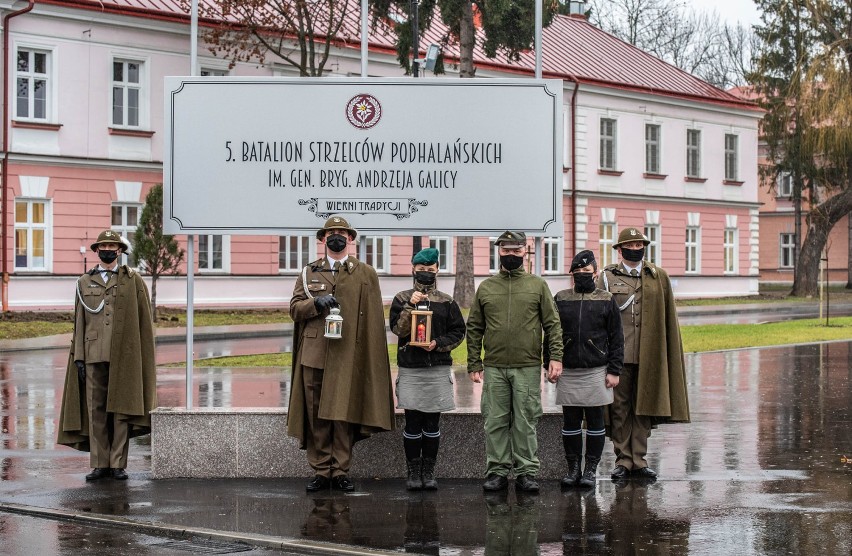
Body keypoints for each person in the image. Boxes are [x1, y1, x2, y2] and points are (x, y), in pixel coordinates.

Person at [287, 215, 395, 492]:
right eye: (331, 232)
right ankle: (322, 470)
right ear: (322, 239)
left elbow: (372, 319)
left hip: (348, 353)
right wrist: (315, 304)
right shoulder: (308, 272)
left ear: (350, 239)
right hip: (315, 352)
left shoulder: (365, 273)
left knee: (343, 413)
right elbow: (294, 309)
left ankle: (341, 471)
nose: (337, 236)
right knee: (317, 414)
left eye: (342, 233)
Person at [466, 230, 563, 493]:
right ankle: (497, 471)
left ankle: (526, 472)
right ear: (499, 252)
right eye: (506, 250)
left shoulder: (537, 286)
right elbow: (474, 327)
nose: (511, 255)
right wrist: (474, 362)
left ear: (525, 251)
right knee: (495, 420)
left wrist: (555, 357)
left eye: (516, 251)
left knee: (525, 420)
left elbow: (552, 325)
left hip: (527, 366)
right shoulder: (487, 287)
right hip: (495, 367)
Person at [57, 229, 157, 481]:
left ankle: (117, 463)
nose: (108, 250)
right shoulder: (84, 282)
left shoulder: (133, 280)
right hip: (93, 353)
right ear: (96, 250)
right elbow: (79, 321)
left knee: (121, 410)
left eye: (113, 246)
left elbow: (144, 321)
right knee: (96, 410)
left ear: (121, 251)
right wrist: (79, 356)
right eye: (104, 246)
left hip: (125, 354)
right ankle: (100, 463)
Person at [597, 227, 690, 480]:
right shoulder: (606, 278)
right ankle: (623, 460)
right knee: (618, 409)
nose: (636, 249)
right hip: (619, 356)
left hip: (649, 353)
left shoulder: (658, 276)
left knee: (643, 408)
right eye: (631, 245)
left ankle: (639, 459)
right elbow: (599, 317)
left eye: (640, 246)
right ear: (619, 249)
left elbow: (667, 318)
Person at [389, 247, 466, 490]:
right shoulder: (402, 298)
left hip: (437, 368)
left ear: (437, 271)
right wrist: (410, 306)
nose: (425, 273)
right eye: (421, 270)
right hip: (411, 368)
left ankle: (428, 470)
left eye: (430, 270)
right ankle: (413, 471)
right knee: (412, 422)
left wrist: (438, 344)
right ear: (413, 269)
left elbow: (458, 332)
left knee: (432, 424)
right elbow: (398, 330)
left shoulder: (447, 300)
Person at [546, 250, 623, 489]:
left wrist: (614, 369)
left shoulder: (606, 298)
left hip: (596, 369)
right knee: (570, 422)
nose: (581, 276)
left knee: (595, 421)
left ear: (595, 273)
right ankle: (572, 469)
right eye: (577, 272)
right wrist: (548, 361)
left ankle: (590, 469)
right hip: (568, 370)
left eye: (586, 272)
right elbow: (551, 333)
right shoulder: (560, 298)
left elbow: (616, 337)